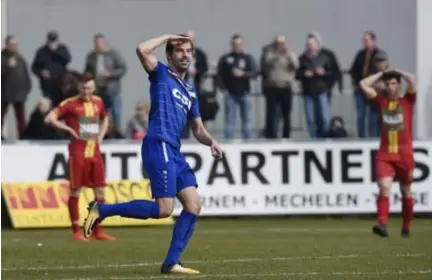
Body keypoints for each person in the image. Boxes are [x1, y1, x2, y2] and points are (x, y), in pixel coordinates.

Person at [83, 34, 223, 275]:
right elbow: (141, 49)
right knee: (164, 209)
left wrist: (211, 141)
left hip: (174, 151)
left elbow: (198, 129)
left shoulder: (190, 91)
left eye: (189, 51)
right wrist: (170, 36)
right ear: (169, 56)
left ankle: (171, 262)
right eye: (180, 51)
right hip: (159, 144)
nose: (186, 55)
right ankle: (102, 210)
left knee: (193, 204)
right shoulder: (161, 75)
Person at [44, 72, 115, 242]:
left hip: (95, 152)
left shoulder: (98, 102)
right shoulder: (70, 104)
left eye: (89, 87)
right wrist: (68, 129)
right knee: (76, 190)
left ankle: (97, 229)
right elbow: (49, 118)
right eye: (83, 88)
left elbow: (105, 118)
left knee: (100, 191)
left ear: (94, 87)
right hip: (78, 152)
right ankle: (76, 230)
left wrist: (102, 135)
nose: (86, 91)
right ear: (78, 88)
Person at [359, 69, 416, 238]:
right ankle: (382, 224)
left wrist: (398, 71)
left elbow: (412, 79)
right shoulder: (381, 101)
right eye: (388, 84)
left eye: (394, 83)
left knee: (406, 190)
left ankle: (406, 227)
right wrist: (380, 73)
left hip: (404, 155)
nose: (391, 87)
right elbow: (363, 84)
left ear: (399, 85)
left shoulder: (408, 101)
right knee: (384, 187)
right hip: (385, 154)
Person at [1, 35, 32, 139]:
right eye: (12, 44)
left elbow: (26, 74)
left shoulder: (20, 58)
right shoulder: (2, 57)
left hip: (19, 93)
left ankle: (23, 136)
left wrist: (27, 88)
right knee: (2, 115)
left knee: (21, 117)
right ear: (7, 45)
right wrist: (8, 67)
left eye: (15, 44)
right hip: (4, 92)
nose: (14, 47)